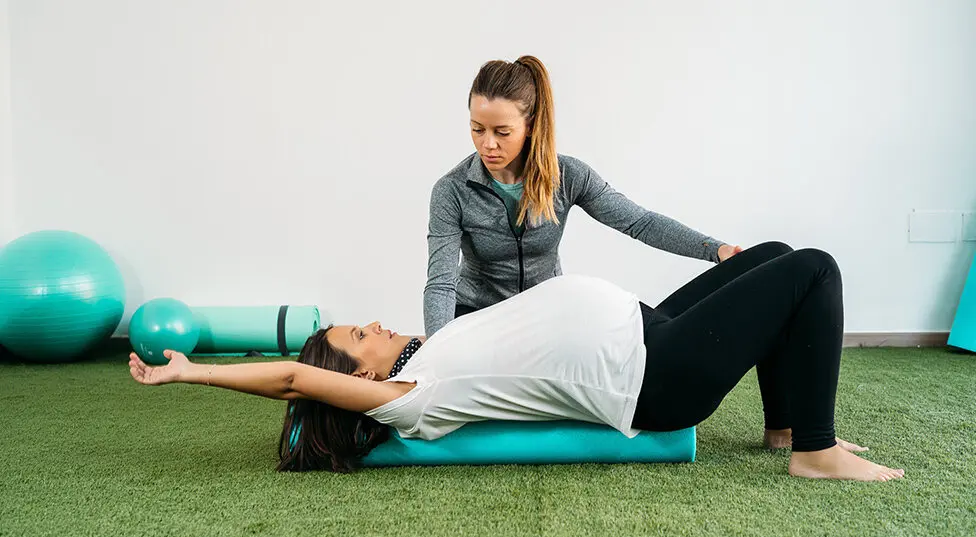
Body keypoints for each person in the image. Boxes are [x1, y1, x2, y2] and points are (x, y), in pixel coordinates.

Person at [128, 243, 904, 482]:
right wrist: (194, 372)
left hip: (649, 328)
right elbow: (298, 381)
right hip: (656, 376)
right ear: (358, 379)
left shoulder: (431, 350)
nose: (374, 325)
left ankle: (785, 427)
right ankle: (815, 452)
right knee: (814, 271)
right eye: (359, 335)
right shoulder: (411, 395)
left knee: (772, 255)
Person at [424, 55, 744, 338]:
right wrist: (438, 352)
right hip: (478, 318)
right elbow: (441, 283)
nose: (487, 144)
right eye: (477, 129)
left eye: (502, 132)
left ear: (530, 125)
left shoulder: (567, 176)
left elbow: (640, 223)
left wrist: (716, 250)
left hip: (546, 313)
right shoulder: (452, 190)